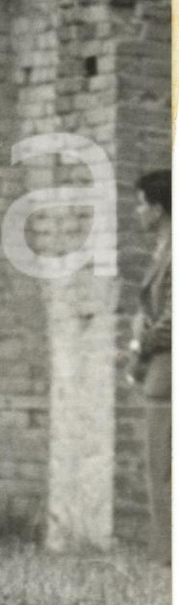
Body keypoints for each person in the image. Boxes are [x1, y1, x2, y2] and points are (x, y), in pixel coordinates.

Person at [127, 170, 171, 566]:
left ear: (158, 209)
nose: (138, 212)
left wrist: (141, 346)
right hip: (159, 371)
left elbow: (172, 320)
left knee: (165, 470)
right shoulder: (162, 252)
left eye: (142, 203)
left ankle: (169, 558)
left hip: (168, 372)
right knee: (160, 469)